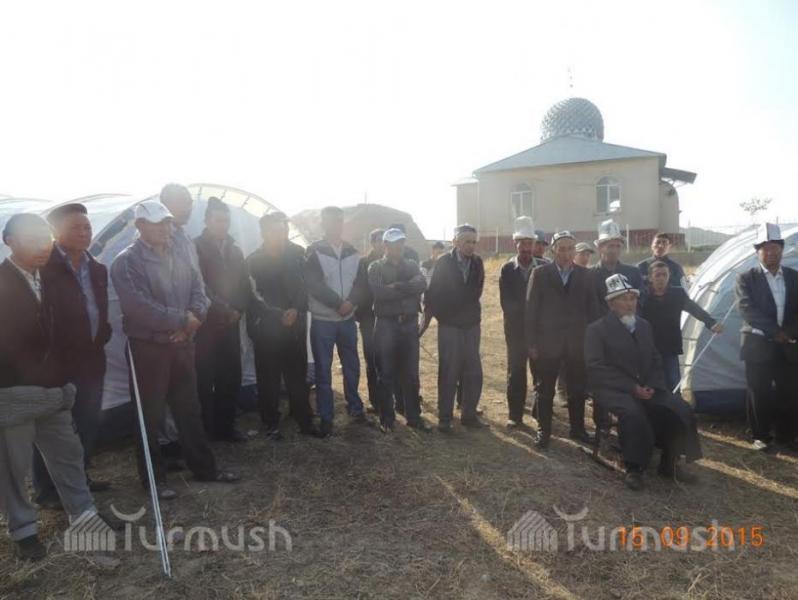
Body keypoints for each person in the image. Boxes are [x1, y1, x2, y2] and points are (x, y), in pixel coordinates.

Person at [0, 214, 114, 560]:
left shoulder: (47, 279)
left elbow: (63, 331)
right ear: (10, 242)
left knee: (69, 456)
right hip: (14, 393)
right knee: (13, 468)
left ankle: (84, 515)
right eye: (31, 239)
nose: (42, 247)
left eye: (45, 239)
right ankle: (24, 530)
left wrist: (62, 375)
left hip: (54, 389)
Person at [111, 200, 239, 499]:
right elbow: (138, 305)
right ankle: (153, 479)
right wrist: (182, 320)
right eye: (157, 223)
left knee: (189, 410)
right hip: (149, 349)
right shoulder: (126, 261)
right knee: (149, 416)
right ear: (140, 226)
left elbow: (199, 290)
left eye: (167, 222)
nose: (165, 228)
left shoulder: (179, 252)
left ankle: (205, 468)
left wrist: (193, 321)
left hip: (182, 344)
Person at [585, 273, 702, 490]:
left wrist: (652, 385)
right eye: (624, 299)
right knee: (633, 413)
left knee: (678, 408)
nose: (630, 304)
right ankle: (634, 467)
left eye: (633, 298)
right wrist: (632, 388)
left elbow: (655, 359)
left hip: (647, 385)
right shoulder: (597, 330)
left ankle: (670, 462)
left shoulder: (644, 326)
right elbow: (596, 368)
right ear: (611, 304)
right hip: (614, 388)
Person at [32, 204, 113, 510]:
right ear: (55, 232)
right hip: (58, 364)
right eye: (75, 228)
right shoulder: (43, 267)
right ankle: (47, 490)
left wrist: (102, 333)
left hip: (92, 360)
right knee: (53, 428)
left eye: (87, 227)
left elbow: (99, 309)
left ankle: (80, 477)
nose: (83, 233)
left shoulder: (97, 268)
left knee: (87, 421)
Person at [247, 212, 319, 438]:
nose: (280, 236)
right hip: (267, 329)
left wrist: (296, 309)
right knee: (268, 379)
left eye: (283, 231)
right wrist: (278, 314)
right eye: (274, 232)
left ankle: (303, 419)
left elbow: (305, 287)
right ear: (263, 233)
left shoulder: (297, 254)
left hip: (294, 326)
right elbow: (253, 295)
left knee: (297, 375)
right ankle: (270, 422)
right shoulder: (253, 261)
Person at [525, 231, 599, 448]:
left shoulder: (586, 276)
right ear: (553, 250)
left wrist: (592, 342)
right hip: (548, 343)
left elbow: (593, 311)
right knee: (545, 389)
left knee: (577, 389)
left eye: (570, 249)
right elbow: (531, 311)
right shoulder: (540, 274)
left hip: (577, 343)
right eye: (562, 249)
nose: (566, 253)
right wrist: (531, 343)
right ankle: (544, 431)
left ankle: (577, 429)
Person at [304, 206, 370, 437]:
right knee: (323, 369)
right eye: (332, 221)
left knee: (352, 365)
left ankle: (355, 408)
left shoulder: (353, 251)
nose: (336, 225)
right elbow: (313, 283)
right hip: (324, 320)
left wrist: (351, 302)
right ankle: (326, 416)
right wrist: (337, 303)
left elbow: (361, 282)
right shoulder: (314, 251)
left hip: (347, 320)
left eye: (340, 221)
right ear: (323, 223)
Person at [735, 223, 798, 452]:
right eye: (765, 248)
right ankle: (760, 436)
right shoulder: (746, 279)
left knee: (789, 391)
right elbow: (746, 309)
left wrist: (789, 332)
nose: (770, 252)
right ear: (757, 252)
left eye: (775, 248)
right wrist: (775, 332)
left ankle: (786, 436)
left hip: (788, 345)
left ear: (782, 250)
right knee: (758, 391)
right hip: (758, 344)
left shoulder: (793, 277)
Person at [193, 197, 251, 443]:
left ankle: (226, 427)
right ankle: (206, 430)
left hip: (231, 323)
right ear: (207, 221)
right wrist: (222, 308)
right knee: (204, 378)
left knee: (230, 375)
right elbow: (198, 284)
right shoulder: (196, 247)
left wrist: (238, 308)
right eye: (218, 220)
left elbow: (244, 284)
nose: (223, 225)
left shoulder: (235, 250)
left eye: (226, 221)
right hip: (207, 324)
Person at [368, 228, 431, 433]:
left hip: (409, 324)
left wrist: (396, 286)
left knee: (411, 374)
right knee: (386, 374)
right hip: (386, 324)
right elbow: (380, 293)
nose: (399, 247)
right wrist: (407, 288)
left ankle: (414, 417)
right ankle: (387, 419)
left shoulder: (411, 264)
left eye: (401, 242)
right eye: (395, 243)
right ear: (385, 245)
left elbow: (421, 284)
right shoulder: (375, 267)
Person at [424, 224, 486, 432]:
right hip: (450, 325)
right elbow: (433, 294)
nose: (471, 246)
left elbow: (477, 290)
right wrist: (446, 316)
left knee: (473, 371)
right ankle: (445, 417)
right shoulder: (444, 262)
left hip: (471, 325)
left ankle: (469, 415)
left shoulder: (477, 262)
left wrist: (467, 312)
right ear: (456, 242)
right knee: (449, 371)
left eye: (474, 242)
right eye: (467, 241)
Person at [641, 261, 723, 392]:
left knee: (673, 381)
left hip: (670, 346)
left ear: (669, 276)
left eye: (664, 275)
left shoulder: (678, 294)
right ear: (650, 277)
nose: (661, 278)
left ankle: (675, 404)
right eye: (657, 275)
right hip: (649, 347)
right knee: (652, 382)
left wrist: (711, 322)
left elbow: (694, 309)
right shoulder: (642, 296)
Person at [499, 217, 547, 428]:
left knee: (541, 374)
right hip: (516, 332)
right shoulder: (507, 270)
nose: (527, 248)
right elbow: (507, 305)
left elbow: (548, 302)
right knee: (516, 373)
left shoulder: (545, 267)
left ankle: (540, 413)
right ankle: (515, 416)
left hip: (540, 332)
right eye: (523, 243)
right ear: (515, 244)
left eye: (530, 243)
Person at [355, 228, 385, 414]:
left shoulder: (394, 261)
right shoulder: (364, 262)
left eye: (385, 240)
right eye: (379, 240)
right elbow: (360, 289)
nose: (383, 244)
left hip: (389, 319)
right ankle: (375, 400)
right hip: (369, 318)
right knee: (372, 360)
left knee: (389, 360)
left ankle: (391, 399)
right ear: (373, 243)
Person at [590, 219, 644, 316]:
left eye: (618, 246)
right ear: (599, 248)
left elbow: (641, 301)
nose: (614, 250)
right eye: (610, 246)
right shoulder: (589, 275)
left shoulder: (633, 273)